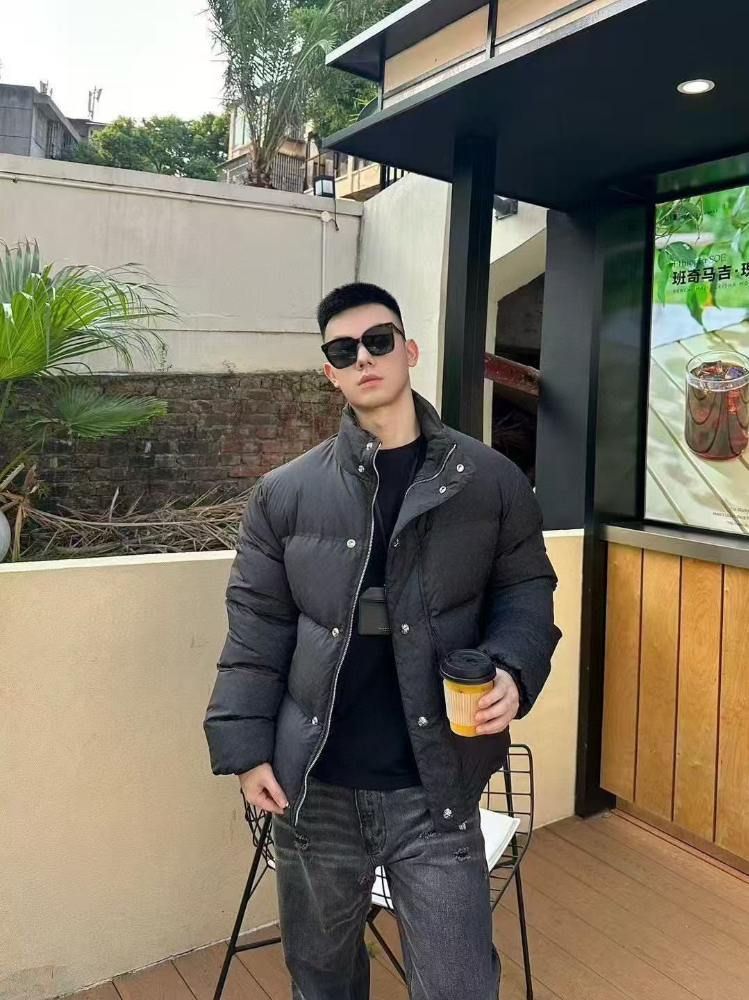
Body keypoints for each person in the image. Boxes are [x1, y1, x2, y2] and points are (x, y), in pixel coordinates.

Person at [204, 282, 562, 1000]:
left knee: (460, 984)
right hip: (316, 789)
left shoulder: (490, 480)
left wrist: (513, 669)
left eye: (378, 340)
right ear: (330, 373)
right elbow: (257, 628)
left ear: (409, 350)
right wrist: (245, 750)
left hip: (437, 786)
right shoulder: (283, 494)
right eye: (344, 351)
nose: (363, 357)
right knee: (323, 981)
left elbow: (527, 590)